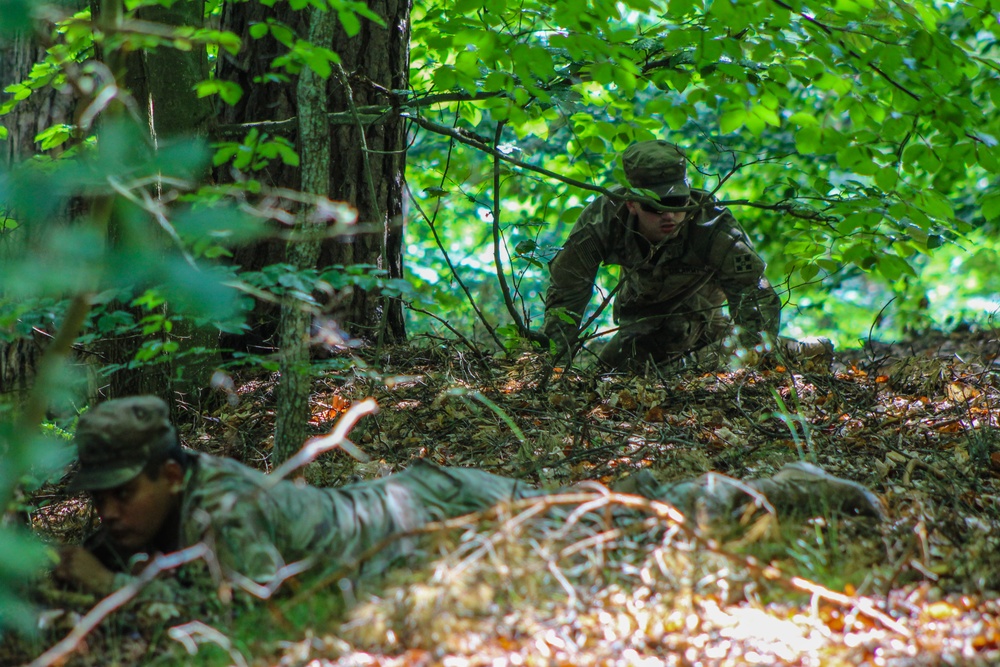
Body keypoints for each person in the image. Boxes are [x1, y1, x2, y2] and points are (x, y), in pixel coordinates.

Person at [54, 396, 882, 600]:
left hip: (437, 517)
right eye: (97, 502)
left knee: (614, 532)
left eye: (120, 494)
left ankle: (761, 491)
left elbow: (245, 620)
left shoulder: (220, 508)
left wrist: (112, 590)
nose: (109, 513)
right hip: (414, 512)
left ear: (168, 473)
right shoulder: (178, 503)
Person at [542, 140, 829, 370]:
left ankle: (804, 350)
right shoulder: (602, 221)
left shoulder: (714, 228)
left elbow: (755, 299)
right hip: (642, 320)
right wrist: (555, 365)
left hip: (702, 313)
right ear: (631, 204)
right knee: (605, 373)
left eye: (678, 202)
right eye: (656, 207)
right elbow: (567, 292)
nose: (670, 215)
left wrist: (748, 370)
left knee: (695, 367)